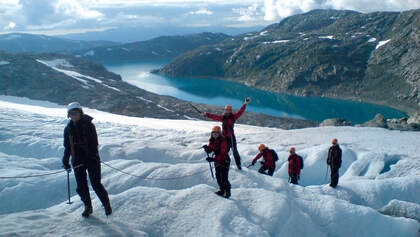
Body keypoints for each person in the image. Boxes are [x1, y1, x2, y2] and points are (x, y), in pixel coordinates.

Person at [62, 102, 112, 218]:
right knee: (81, 187)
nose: (74, 116)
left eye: (76, 113)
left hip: (92, 160)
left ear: (80, 113)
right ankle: (88, 207)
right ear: (69, 115)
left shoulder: (89, 125)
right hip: (78, 161)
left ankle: (106, 205)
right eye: (71, 114)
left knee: (96, 184)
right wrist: (65, 161)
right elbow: (67, 147)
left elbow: (94, 144)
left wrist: (88, 157)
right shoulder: (68, 129)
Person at [203, 98, 250, 170]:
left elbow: (240, 112)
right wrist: (207, 115)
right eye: (227, 110)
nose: (228, 111)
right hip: (224, 138)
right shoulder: (223, 117)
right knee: (223, 152)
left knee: (235, 152)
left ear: (230, 111)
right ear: (225, 110)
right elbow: (214, 117)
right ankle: (222, 163)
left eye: (229, 110)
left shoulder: (233, 117)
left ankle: (238, 166)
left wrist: (245, 104)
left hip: (231, 137)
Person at [203, 126, 231, 198]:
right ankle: (222, 190)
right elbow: (210, 149)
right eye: (213, 133)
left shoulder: (223, 141)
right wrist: (207, 149)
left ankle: (227, 192)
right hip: (217, 161)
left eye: (216, 133)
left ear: (219, 133)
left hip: (225, 161)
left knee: (224, 178)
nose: (215, 134)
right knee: (218, 177)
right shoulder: (212, 140)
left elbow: (222, 153)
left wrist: (213, 159)